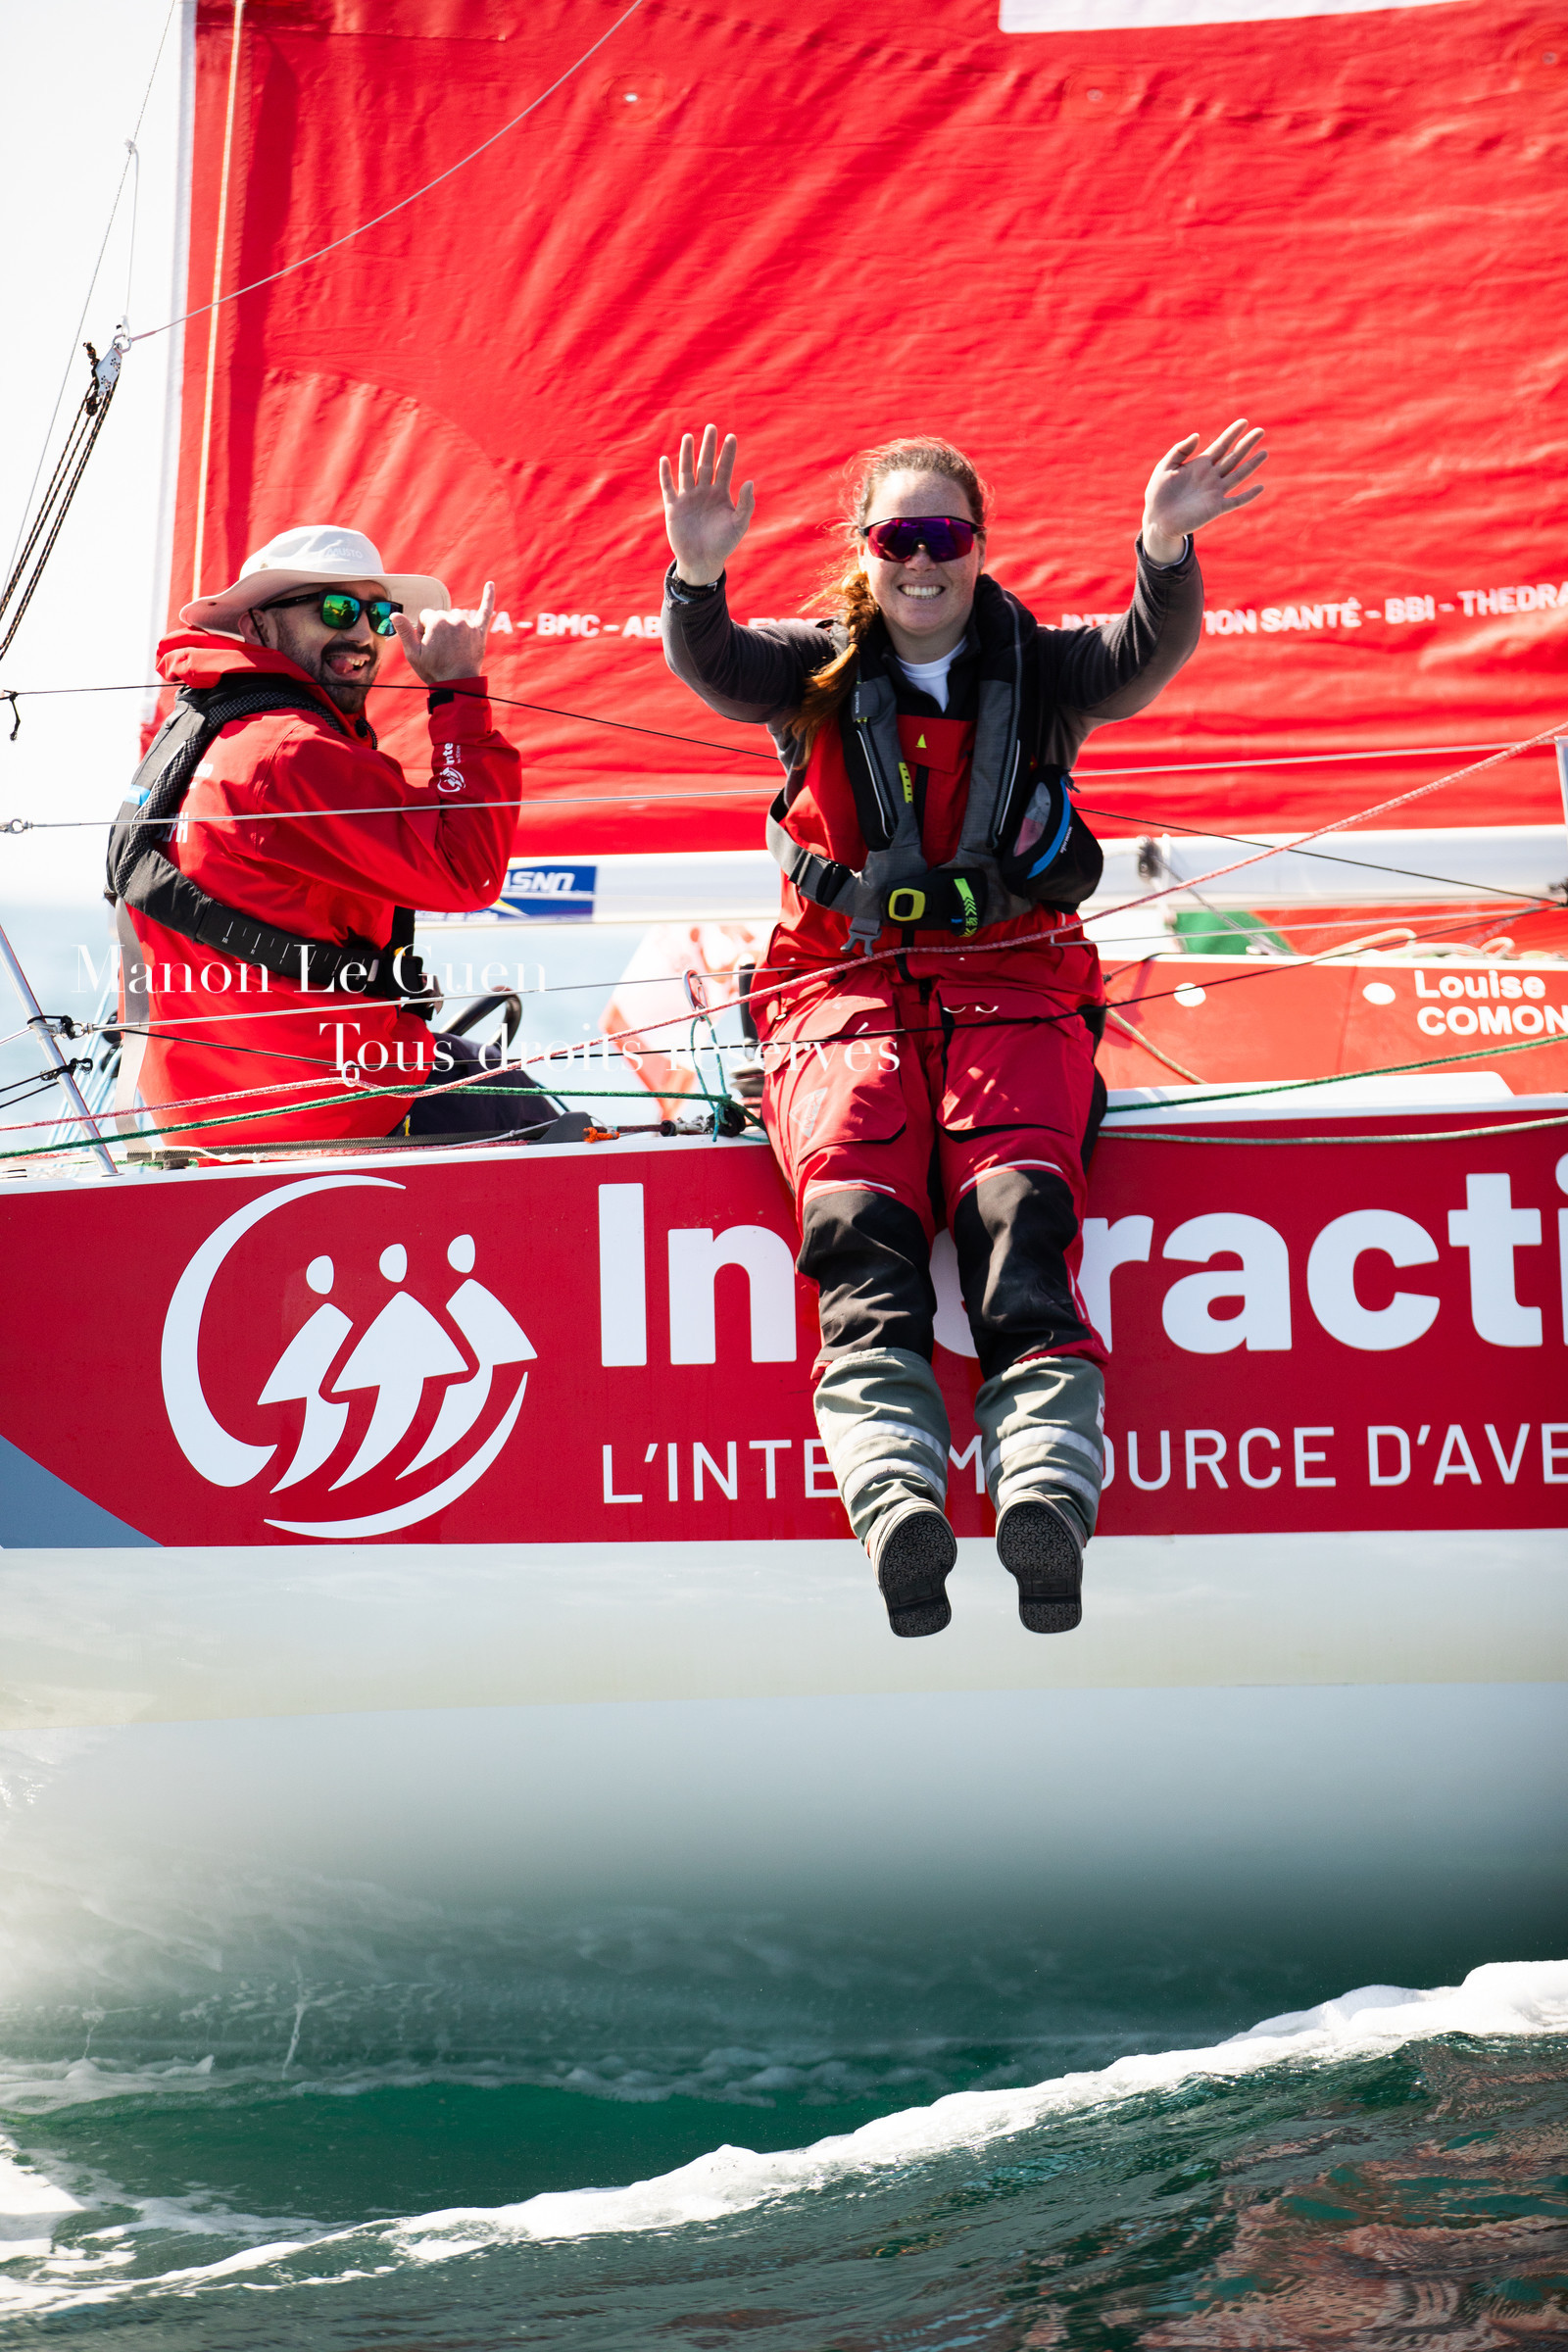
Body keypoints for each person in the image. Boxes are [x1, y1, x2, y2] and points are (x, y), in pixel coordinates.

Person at [659, 422, 1265, 1637]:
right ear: (865, 550)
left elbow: (1140, 656)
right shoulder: (812, 670)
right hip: (841, 988)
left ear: (979, 547)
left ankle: (1044, 1491)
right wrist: (696, 574)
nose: (921, 562)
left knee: (1017, 1207)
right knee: (856, 1214)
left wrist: (1162, 547)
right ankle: (896, 1501)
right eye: (898, 538)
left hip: (1011, 982)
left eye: (943, 536)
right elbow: (716, 663)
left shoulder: (1039, 669)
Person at [111, 523, 578, 1149]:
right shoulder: (293, 751)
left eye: (378, 615)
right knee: (535, 1115)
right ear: (256, 625)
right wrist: (458, 690)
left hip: (203, 1116)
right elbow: (470, 875)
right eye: (334, 608)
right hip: (325, 1108)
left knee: (471, 1063)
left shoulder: (203, 730)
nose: (360, 632)